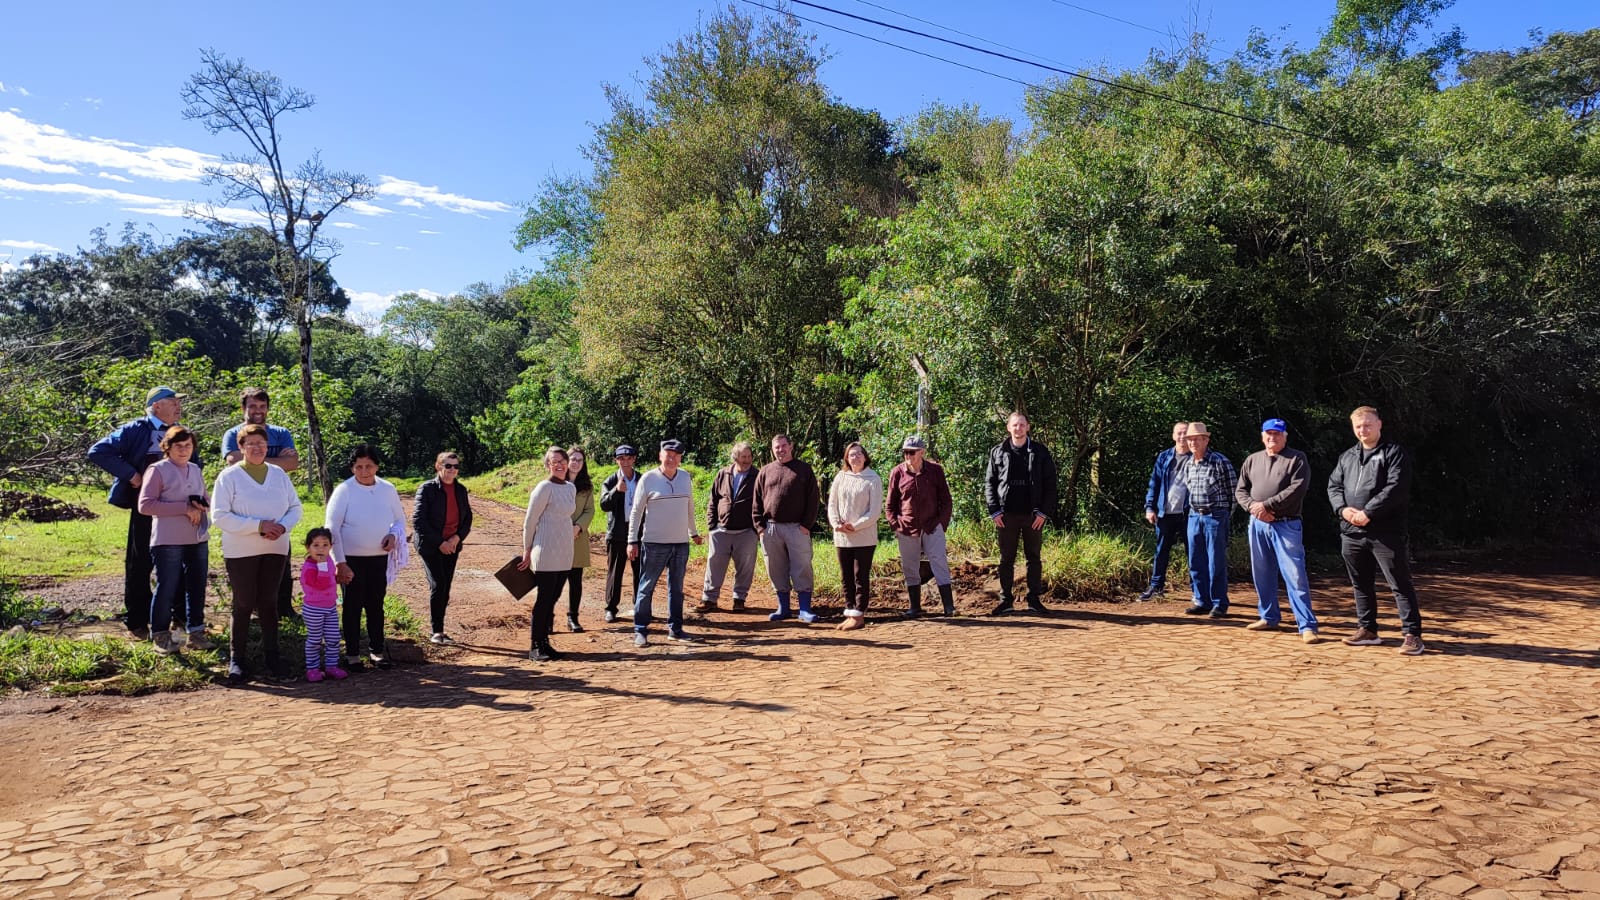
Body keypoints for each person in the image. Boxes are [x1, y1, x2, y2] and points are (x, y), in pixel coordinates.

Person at [87, 385, 185, 639]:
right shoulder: (135, 429)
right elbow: (98, 451)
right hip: (145, 506)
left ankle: (180, 620)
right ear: (156, 406)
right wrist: (131, 474)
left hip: (176, 508)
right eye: (173, 402)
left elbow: (193, 462)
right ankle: (137, 623)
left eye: (178, 402)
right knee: (139, 562)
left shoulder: (179, 432)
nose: (178, 406)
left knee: (178, 561)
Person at [1328, 406, 1426, 656]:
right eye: (1358, 426)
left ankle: (1412, 634)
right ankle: (1367, 630)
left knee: (1399, 583)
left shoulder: (1395, 454)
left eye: (1368, 425)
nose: (1363, 430)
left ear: (1380, 424)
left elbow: (1395, 488)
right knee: (1360, 583)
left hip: (1386, 532)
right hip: (1351, 532)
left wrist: (1368, 512)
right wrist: (1343, 510)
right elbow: (1334, 486)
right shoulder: (1347, 457)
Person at [211, 423, 302, 683]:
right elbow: (219, 516)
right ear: (240, 448)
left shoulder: (278, 474)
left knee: (269, 602)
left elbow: (295, 507)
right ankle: (237, 660)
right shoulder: (229, 477)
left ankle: (272, 656)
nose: (257, 448)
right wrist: (258, 526)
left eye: (261, 444)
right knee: (243, 602)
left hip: (275, 547)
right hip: (241, 551)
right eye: (250, 444)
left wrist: (283, 526)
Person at [1235, 418, 1320, 643]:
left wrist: (1267, 506)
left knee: (1295, 575)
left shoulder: (1297, 458)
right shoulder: (1252, 460)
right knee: (1261, 573)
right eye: (1268, 434)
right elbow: (1241, 490)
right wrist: (1254, 508)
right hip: (1258, 523)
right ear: (1262, 436)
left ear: (1285, 436)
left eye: (1277, 434)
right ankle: (1268, 616)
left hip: (1286, 524)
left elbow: (1297, 489)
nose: (1272, 437)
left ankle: (1307, 626)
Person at [221, 387, 301, 622]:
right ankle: (253, 611)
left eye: (262, 406)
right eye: (253, 406)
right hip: (244, 508)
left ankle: (283, 608)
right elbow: (233, 460)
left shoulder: (281, 432)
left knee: (281, 562)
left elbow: (294, 462)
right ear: (243, 408)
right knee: (248, 565)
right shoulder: (232, 433)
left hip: (277, 503)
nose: (258, 411)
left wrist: (255, 458)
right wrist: (277, 460)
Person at [326, 444, 406, 671]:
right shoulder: (344, 490)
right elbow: (332, 527)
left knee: (375, 606)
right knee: (352, 607)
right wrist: (340, 562)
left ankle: (377, 652)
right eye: (358, 466)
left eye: (368, 466)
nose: (364, 471)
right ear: (352, 468)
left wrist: (393, 535)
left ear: (377, 466)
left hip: (379, 559)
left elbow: (400, 520)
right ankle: (351, 655)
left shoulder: (387, 489)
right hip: (351, 560)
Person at [135, 425, 212, 655]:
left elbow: (206, 499)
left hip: (197, 536)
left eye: (188, 445)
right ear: (167, 447)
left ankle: (196, 632)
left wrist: (201, 504)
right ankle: (160, 635)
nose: (184, 450)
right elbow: (145, 505)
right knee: (167, 586)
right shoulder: (157, 469)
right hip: (168, 539)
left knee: (197, 585)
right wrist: (183, 508)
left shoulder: (195, 469)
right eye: (178, 446)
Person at [627, 439, 703, 647]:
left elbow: (689, 506)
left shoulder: (685, 477)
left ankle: (676, 629)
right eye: (667, 454)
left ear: (680, 458)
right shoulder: (649, 479)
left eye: (675, 455)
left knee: (676, 589)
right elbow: (636, 511)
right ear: (660, 455)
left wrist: (693, 533)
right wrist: (632, 540)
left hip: (680, 544)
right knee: (646, 587)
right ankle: (640, 630)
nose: (671, 458)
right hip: (654, 544)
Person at [984, 411, 1058, 614]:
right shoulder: (997, 452)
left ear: (1028, 427)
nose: (1018, 428)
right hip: (1005, 515)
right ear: (1008, 428)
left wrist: (1044, 513)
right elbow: (990, 483)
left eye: (1022, 425)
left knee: (1033, 557)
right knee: (1006, 559)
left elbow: (1051, 485)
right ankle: (1005, 600)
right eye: (1015, 425)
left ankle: (1034, 599)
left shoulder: (1040, 452)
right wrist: (994, 511)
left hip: (1033, 516)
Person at [884, 435, 956, 617]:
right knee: (910, 566)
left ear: (922, 452)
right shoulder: (897, 473)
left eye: (912, 452)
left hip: (932, 525)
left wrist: (941, 524)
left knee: (939, 562)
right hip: (907, 528)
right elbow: (890, 504)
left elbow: (946, 500)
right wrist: (895, 524)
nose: (908, 456)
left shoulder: (935, 471)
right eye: (905, 452)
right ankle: (915, 607)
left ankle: (949, 607)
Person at [752, 434, 821, 622]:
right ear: (772, 449)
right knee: (775, 568)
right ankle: (783, 608)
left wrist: (807, 525)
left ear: (791, 446)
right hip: (771, 529)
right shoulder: (765, 471)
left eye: (784, 446)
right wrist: (760, 527)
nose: (780, 450)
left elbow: (814, 499)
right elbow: (756, 501)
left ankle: (805, 609)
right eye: (777, 447)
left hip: (797, 528)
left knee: (802, 567)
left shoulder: (804, 470)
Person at [518, 446, 577, 662]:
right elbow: (530, 521)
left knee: (553, 598)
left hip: (564, 552)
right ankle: (535, 646)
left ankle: (545, 644)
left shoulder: (570, 488)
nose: (560, 464)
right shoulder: (544, 488)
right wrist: (526, 550)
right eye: (555, 461)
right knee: (543, 600)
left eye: (563, 460)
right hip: (545, 552)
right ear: (548, 465)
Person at [413, 451, 473, 645]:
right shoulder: (427, 489)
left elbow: (467, 519)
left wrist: (456, 538)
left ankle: (440, 628)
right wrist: (440, 543)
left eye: (455, 466)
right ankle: (436, 631)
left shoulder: (461, 490)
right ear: (438, 467)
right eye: (448, 466)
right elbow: (419, 521)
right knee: (438, 585)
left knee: (445, 587)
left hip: (452, 545)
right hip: (431, 546)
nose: (452, 470)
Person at [1179, 422, 1237, 619]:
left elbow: (1234, 492)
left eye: (1197, 439)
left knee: (1216, 562)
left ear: (1206, 440)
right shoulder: (1188, 464)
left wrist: (1226, 516)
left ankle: (1219, 603)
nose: (1193, 442)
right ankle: (1201, 601)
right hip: (1194, 516)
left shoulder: (1220, 461)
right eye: (1190, 439)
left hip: (1215, 515)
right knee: (1195, 560)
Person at [828, 442, 882, 631]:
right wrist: (836, 524)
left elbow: (874, 511)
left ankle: (859, 614)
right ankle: (850, 611)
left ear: (865, 457)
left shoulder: (873, 479)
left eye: (859, 454)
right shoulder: (841, 477)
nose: (856, 457)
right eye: (852, 455)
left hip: (864, 537)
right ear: (846, 458)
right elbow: (832, 503)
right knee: (846, 577)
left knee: (860, 576)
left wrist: (855, 526)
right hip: (842, 537)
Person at [699, 441, 758, 612]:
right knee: (714, 564)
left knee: (745, 566)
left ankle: (739, 599)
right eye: (743, 457)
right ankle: (709, 599)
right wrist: (712, 525)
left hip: (746, 531)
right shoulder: (723, 474)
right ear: (735, 458)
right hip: (721, 530)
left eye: (749, 456)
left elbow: (762, 503)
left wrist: (756, 529)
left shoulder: (758, 475)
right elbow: (713, 500)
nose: (747, 460)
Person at [1139, 422, 1192, 602]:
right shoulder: (1164, 457)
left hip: (1189, 514)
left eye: (1185, 433)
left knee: (1193, 551)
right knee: (1161, 551)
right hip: (1165, 513)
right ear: (1173, 435)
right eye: (1179, 433)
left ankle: (1198, 590)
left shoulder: (1197, 457)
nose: (1182, 437)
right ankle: (1156, 587)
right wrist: (1149, 507)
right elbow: (1154, 483)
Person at [598, 445, 642, 624]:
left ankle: (640, 606)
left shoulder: (642, 479)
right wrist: (617, 490)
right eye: (621, 458)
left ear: (634, 459)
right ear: (616, 460)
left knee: (640, 570)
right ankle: (611, 608)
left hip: (638, 530)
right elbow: (603, 505)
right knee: (615, 572)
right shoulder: (610, 481)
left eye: (628, 458)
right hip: (617, 531)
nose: (625, 461)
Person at [299, 528, 348, 682]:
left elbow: (329, 580)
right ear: (308, 547)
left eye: (325, 545)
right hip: (314, 609)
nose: (321, 549)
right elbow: (321, 584)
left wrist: (338, 578)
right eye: (316, 545)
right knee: (314, 640)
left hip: (330, 608)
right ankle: (312, 669)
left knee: (333, 638)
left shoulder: (328, 562)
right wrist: (322, 567)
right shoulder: (309, 567)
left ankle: (331, 666)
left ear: (330, 546)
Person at [566, 446, 596, 632]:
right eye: (573, 459)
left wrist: (578, 527)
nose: (576, 463)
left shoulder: (587, 486)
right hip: (558, 538)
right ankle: (548, 617)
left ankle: (573, 618)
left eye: (580, 460)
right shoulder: (556, 482)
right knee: (554, 581)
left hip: (578, 538)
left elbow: (590, 510)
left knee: (575, 581)